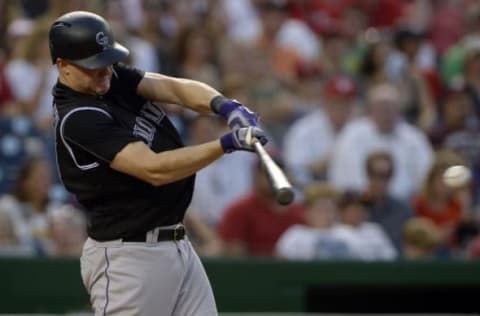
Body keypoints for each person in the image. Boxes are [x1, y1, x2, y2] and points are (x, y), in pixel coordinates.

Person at [48, 11, 267, 316]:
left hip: (176, 245)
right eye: (93, 67)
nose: (105, 72)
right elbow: (155, 169)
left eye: (106, 62)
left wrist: (225, 106)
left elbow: (171, 88)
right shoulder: (78, 117)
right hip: (129, 257)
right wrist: (225, 144)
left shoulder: (107, 78)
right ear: (63, 66)